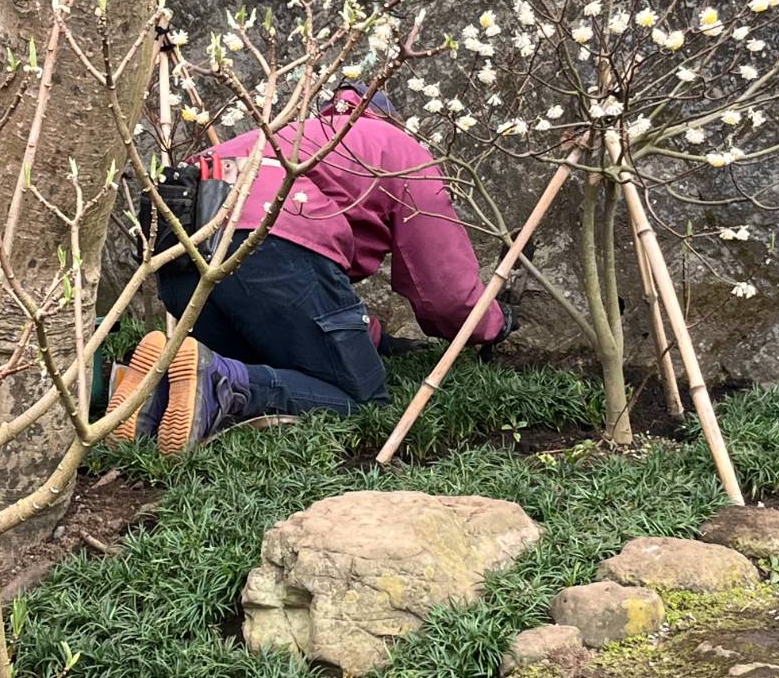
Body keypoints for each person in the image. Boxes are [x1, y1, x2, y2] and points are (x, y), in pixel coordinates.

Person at [108, 85, 513, 453]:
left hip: (180, 258)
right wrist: (492, 324)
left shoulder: (292, 135)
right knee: (362, 399)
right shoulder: (399, 150)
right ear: (389, 117)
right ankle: (225, 384)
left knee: (276, 357)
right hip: (265, 251)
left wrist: (368, 335)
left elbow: (313, 312)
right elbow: (444, 287)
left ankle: (150, 389)